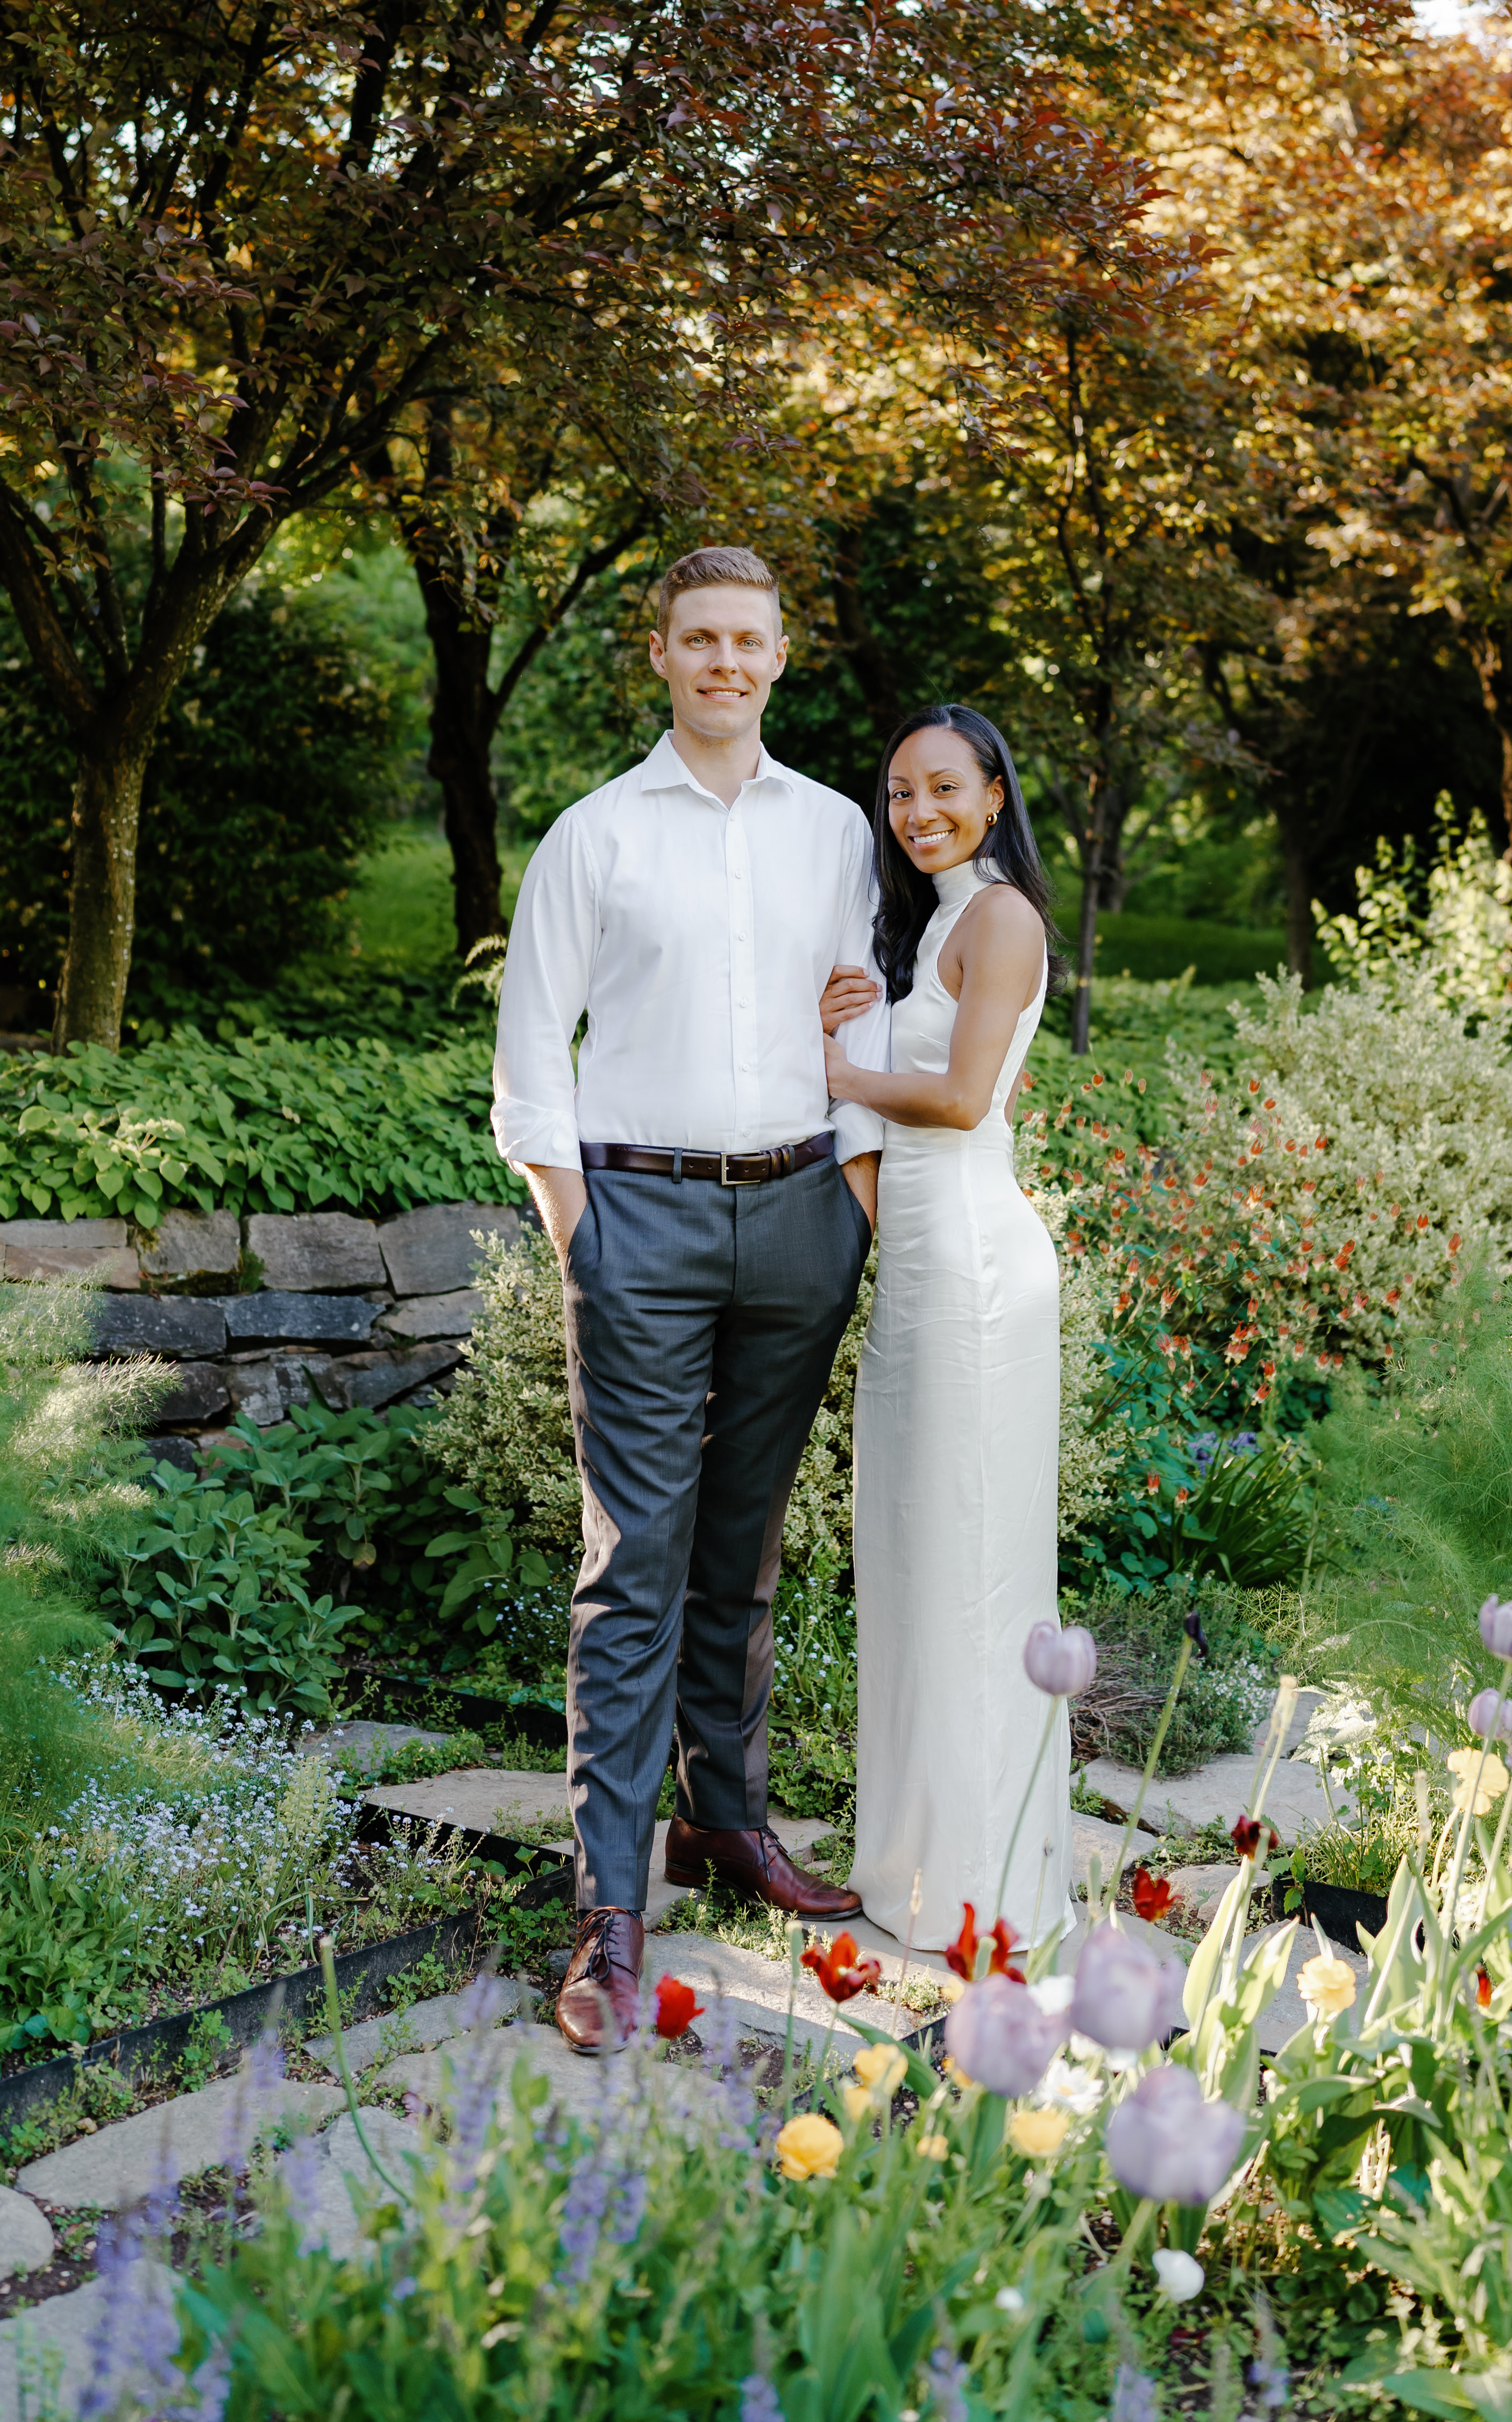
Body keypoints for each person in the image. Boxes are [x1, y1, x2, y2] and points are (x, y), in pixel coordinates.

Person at [492, 544, 881, 2052]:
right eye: (699, 639)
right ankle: (610, 1906)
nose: (726, 661)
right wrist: (576, 1217)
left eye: (750, 640)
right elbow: (535, 1048)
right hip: (638, 1212)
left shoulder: (836, 832)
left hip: (799, 1214)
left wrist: (848, 1198)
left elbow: (862, 1014)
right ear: (660, 654)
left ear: (781, 658)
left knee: (746, 1542)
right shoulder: (595, 837)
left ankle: (730, 1820)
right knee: (633, 1559)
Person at [820, 702, 1073, 1953]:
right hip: (921, 1277)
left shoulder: (1006, 918)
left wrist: (845, 1072)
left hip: (977, 1276)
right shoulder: (936, 933)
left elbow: (966, 1099)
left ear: (990, 795)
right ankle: (921, 1862)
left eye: (939, 790)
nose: (916, 813)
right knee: (916, 1565)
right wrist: (857, 1023)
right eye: (896, 794)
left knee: (974, 1571)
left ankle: (988, 1892)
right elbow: (886, 1144)